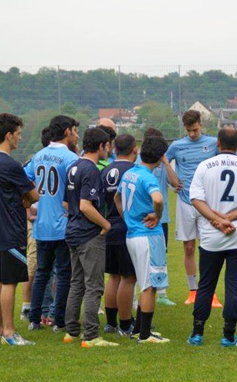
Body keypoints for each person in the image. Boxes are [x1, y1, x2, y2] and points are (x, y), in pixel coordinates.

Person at [186, 127, 237, 347]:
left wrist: (217, 220)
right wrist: (229, 218)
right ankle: (229, 335)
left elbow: (196, 199)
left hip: (211, 236)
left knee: (206, 284)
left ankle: (197, 333)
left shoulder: (204, 166)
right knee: (235, 285)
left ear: (218, 144)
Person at [0, 113, 39, 345]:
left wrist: (21, 198)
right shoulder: (10, 164)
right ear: (8, 135)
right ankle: (9, 332)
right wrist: (26, 199)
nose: (19, 138)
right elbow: (34, 195)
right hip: (11, 231)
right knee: (9, 282)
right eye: (18, 134)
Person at [63, 127, 118, 348]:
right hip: (88, 234)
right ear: (101, 146)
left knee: (76, 283)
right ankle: (91, 336)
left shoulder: (73, 166)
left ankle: (71, 332)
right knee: (94, 285)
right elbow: (86, 205)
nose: (110, 149)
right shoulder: (92, 170)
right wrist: (105, 223)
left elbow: (67, 203)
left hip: (72, 231)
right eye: (108, 145)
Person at [24, 115, 80, 333]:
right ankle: (59, 321)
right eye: (74, 130)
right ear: (67, 131)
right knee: (64, 273)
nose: (76, 134)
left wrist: (29, 205)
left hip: (41, 224)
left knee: (42, 273)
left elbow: (24, 179)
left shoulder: (38, 155)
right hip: (62, 224)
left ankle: (34, 319)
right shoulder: (70, 158)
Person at [115, 136, 171, 344]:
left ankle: (139, 330)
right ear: (161, 156)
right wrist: (157, 215)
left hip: (132, 236)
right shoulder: (148, 177)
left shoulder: (130, 172)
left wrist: (127, 218)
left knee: (143, 281)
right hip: (148, 237)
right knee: (150, 285)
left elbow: (117, 197)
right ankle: (145, 336)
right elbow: (157, 199)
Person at [166, 110, 222, 307]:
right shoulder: (176, 146)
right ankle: (193, 291)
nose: (192, 134)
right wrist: (172, 180)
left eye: (195, 130)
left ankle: (211, 292)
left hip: (208, 203)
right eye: (189, 131)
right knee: (189, 247)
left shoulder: (213, 143)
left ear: (201, 124)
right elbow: (162, 161)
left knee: (210, 247)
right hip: (185, 201)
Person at [101, 134, 138, 336]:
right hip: (126, 227)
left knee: (113, 276)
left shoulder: (105, 170)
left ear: (114, 149)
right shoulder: (134, 171)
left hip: (108, 226)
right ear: (135, 149)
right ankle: (125, 324)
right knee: (128, 277)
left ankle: (110, 323)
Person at [137, 128, 178, 306]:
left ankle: (162, 292)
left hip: (162, 217)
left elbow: (176, 184)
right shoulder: (139, 162)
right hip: (143, 216)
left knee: (161, 254)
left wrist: (167, 163)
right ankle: (140, 291)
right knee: (141, 255)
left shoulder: (163, 163)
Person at [20, 126, 52, 322]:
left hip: (51, 220)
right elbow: (21, 183)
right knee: (34, 265)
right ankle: (28, 306)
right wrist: (27, 210)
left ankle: (46, 310)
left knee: (50, 268)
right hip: (37, 221)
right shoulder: (34, 162)